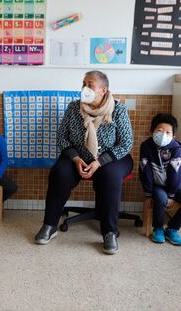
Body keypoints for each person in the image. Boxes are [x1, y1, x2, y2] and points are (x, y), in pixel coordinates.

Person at [34, 71, 133, 255]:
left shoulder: (118, 110)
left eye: (90, 85)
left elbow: (126, 143)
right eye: (83, 84)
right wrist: (75, 158)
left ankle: (110, 232)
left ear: (104, 90)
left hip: (112, 157)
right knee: (59, 173)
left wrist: (100, 162)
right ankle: (49, 225)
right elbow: (62, 137)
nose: (85, 88)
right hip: (78, 156)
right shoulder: (74, 108)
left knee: (110, 176)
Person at [139, 113, 181, 245]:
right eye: (159, 130)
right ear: (152, 132)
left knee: (167, 196)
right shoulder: (146, 146)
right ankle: (158, 228)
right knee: (160, 198)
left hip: (174, 186)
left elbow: (176, 173)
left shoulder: (177, 148)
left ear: (174, 136)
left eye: (168, 132)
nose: (163, 135)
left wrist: (171, 195)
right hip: (157, 185)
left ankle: (172, 228)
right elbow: (145, 171)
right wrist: (148, 194)